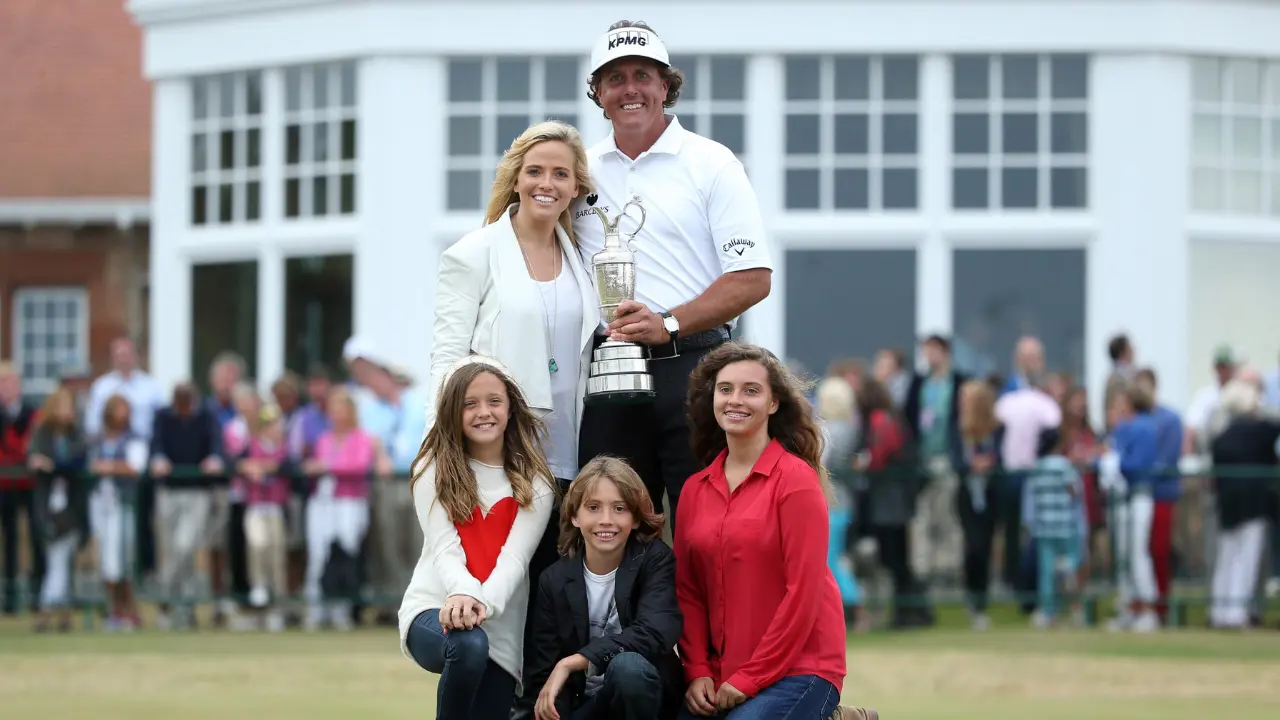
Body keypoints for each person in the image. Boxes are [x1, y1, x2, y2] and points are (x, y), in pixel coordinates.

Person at [573, 20, 773, 537]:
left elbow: (751, 278)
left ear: (666, 85)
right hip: (606, 373)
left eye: (643, 74)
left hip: (695, 369)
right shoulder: (577, 171)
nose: (630, 88)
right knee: (609, 532)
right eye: (615, 78)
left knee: (706, 532)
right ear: (597, 92)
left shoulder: (712, 162)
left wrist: (669, 322)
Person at [427, 119, 600, 662]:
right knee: (504, 605)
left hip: (571, 455)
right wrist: (448, 450)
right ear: (516, 178)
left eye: (560, 173)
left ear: (577, 187)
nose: (546, 183)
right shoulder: (473, 253)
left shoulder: (585, 260)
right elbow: (446, 361)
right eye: (535, 171)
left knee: (557, 605)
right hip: (502, 462)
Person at [677, 342, 876, 720]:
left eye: (751, 390)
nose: (736, 400)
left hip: (802, 667)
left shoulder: (796, 481)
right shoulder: (694, 490)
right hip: (722, 673)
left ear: (773, 403)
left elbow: (804, 592)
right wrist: (697, 670)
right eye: (726, 389)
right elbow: (689, 591)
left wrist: (752, 677)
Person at [399, 356, 556, 720]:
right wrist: (463, 596)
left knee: (479, 647)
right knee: (468, 644)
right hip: (434, 607)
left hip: (499, 629)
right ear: (453, 410)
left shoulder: (537, 481)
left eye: (494, 401)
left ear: (511, 408)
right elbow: (444, 548)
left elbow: (515, 559)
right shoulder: (432, 469)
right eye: (470, 403)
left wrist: (480, 605)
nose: (483, 412)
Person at [523, 456, 682, 720]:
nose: (606, 520)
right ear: (574, 516)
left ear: (635, 518)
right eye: (594, 507)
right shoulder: (554, 580)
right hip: (588, 706)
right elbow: (544, 672)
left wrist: (575, 661)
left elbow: (657, 631)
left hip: (646, 704)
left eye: (619, 508)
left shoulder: (655, 559)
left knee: (627, 667)